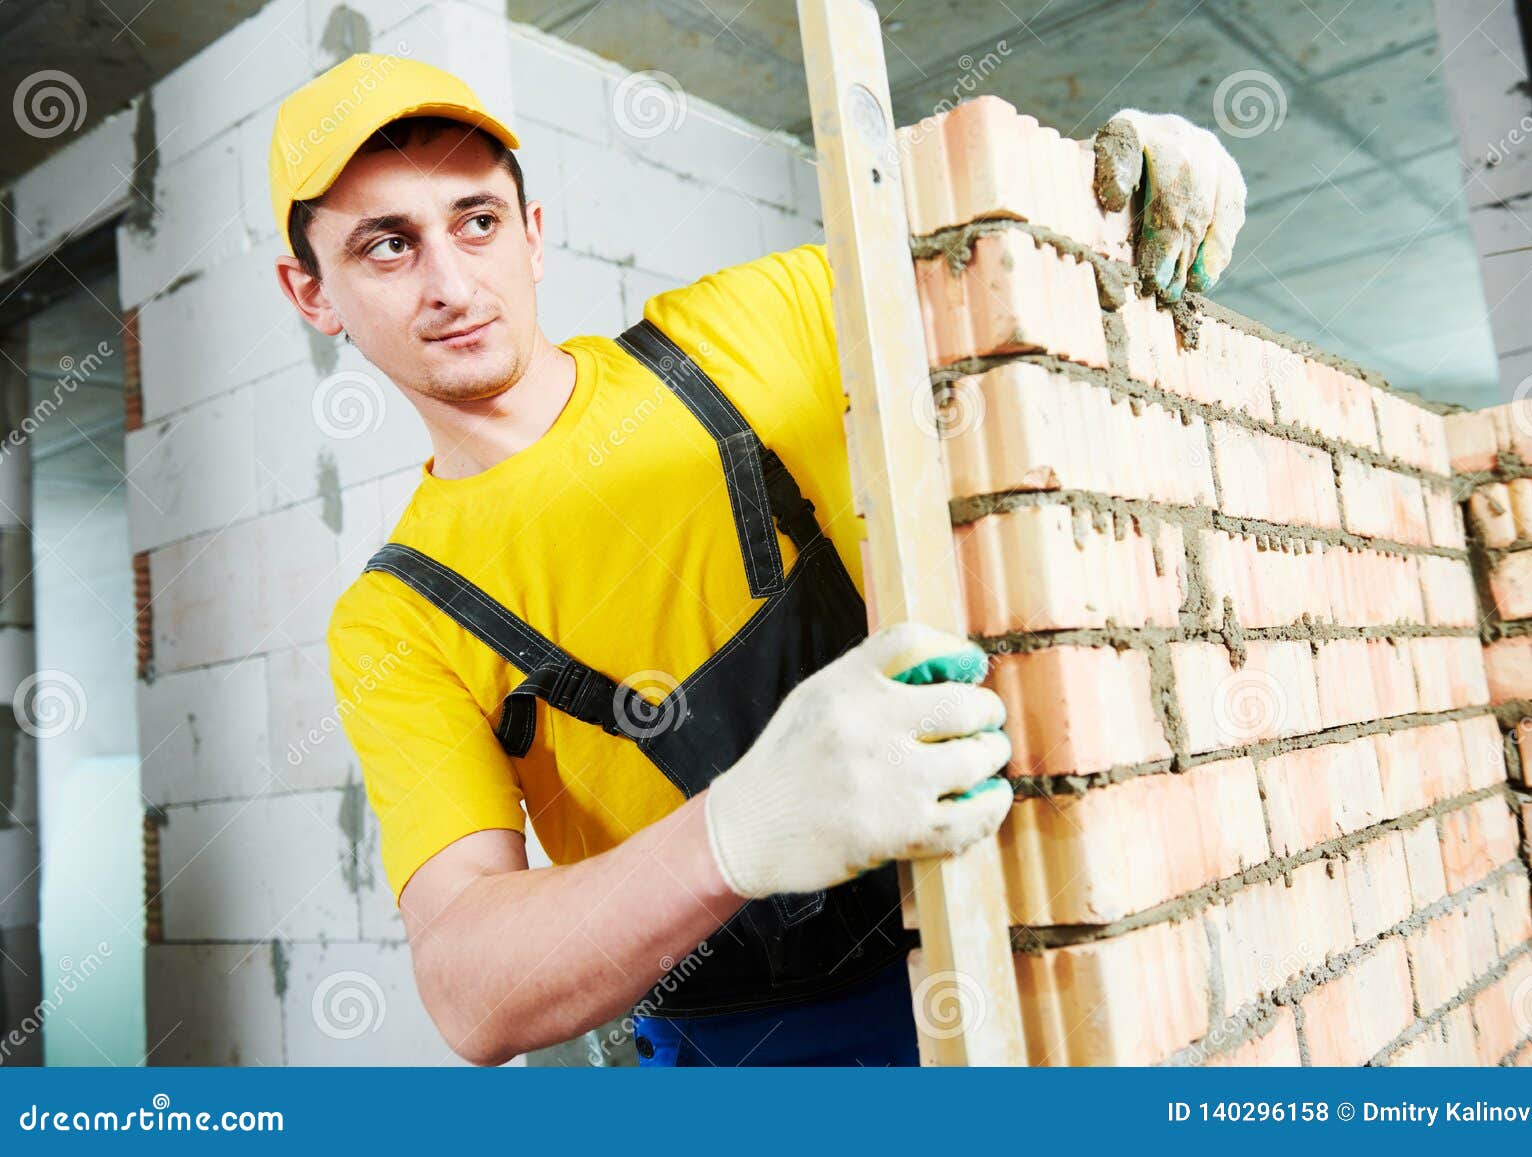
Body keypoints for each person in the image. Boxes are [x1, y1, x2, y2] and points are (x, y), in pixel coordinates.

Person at [269, 53, 1246, 1067]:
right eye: (388, 246)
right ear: (312, 291)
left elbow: (1021, 293)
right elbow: (469, 990)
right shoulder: (396, 617)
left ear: (534, 234)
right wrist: (731, 834)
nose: (452, 281)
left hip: (1026, 954)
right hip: (746, 1063)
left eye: (476, 221)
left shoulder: (765, 319)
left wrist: (1109, 198)